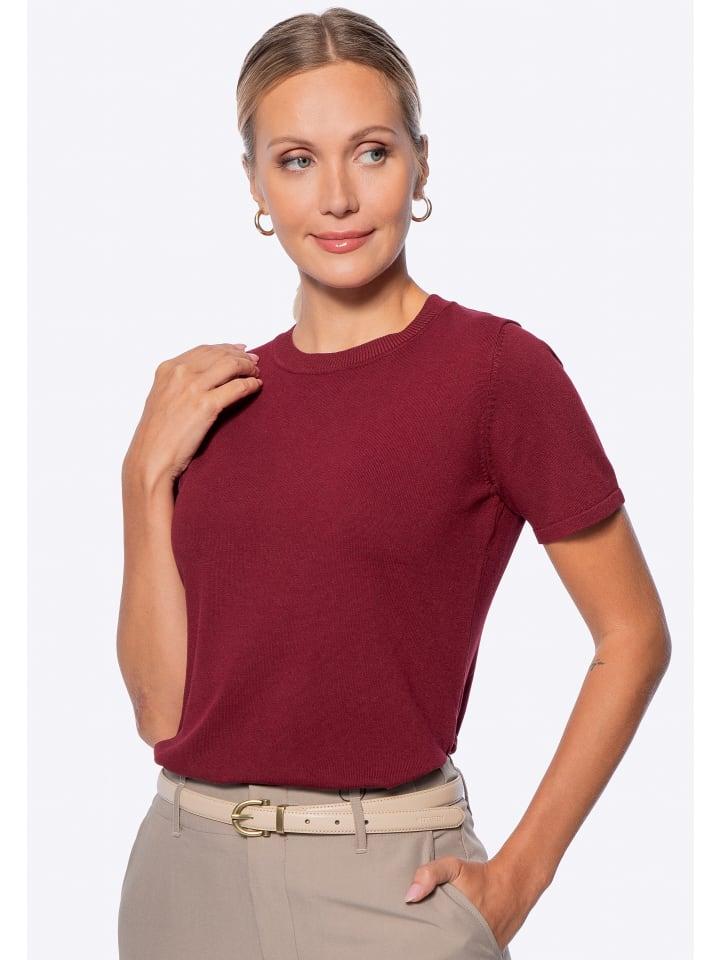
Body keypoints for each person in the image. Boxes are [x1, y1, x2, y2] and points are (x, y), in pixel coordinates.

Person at [116, 8, 671, 959]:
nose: (337, 196)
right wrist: (141, 479)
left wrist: (519, 879)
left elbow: (634, 636)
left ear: (420, 164)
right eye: (297, 160)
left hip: (387, 889)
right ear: (255, 183)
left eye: (370, 152)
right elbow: (162, 716)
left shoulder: (497, 373)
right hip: (180, 878)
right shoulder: (210, 400)